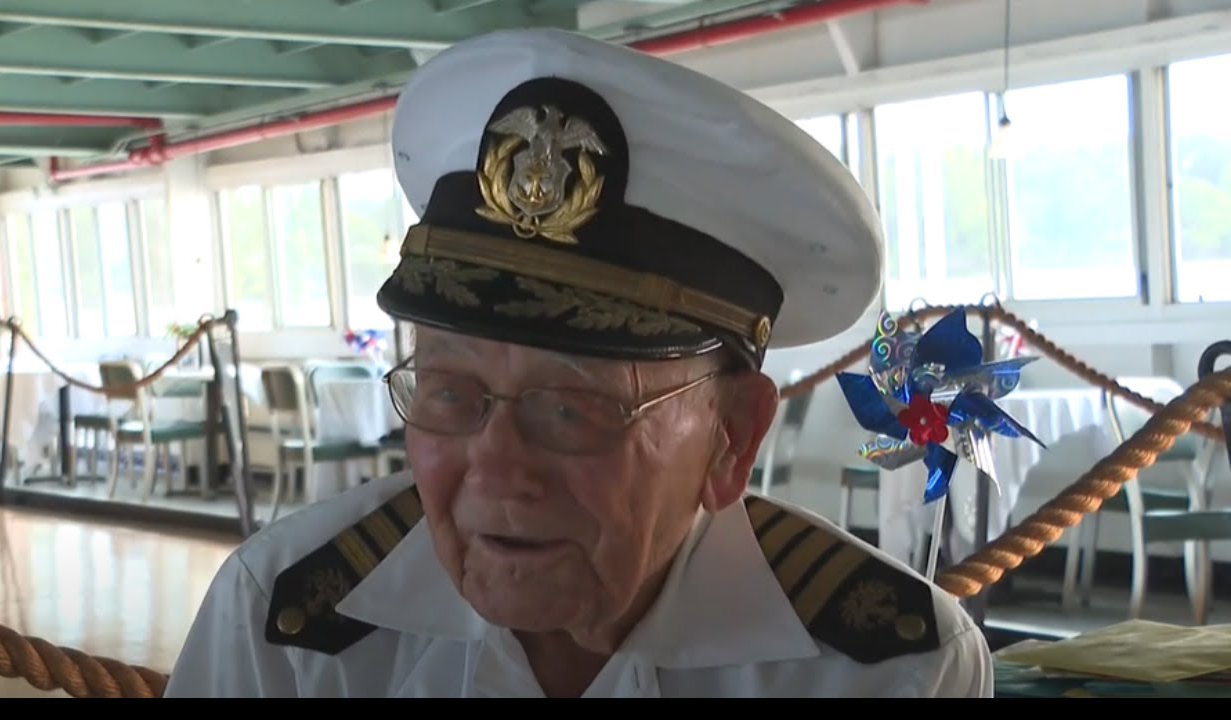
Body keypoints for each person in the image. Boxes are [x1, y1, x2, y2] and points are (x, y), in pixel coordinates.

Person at [163, 27, 993, 698]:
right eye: (450, 394)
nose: (497, 471)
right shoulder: (287, 622)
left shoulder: (887, 671)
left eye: (571, 407)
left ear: (731, 437)